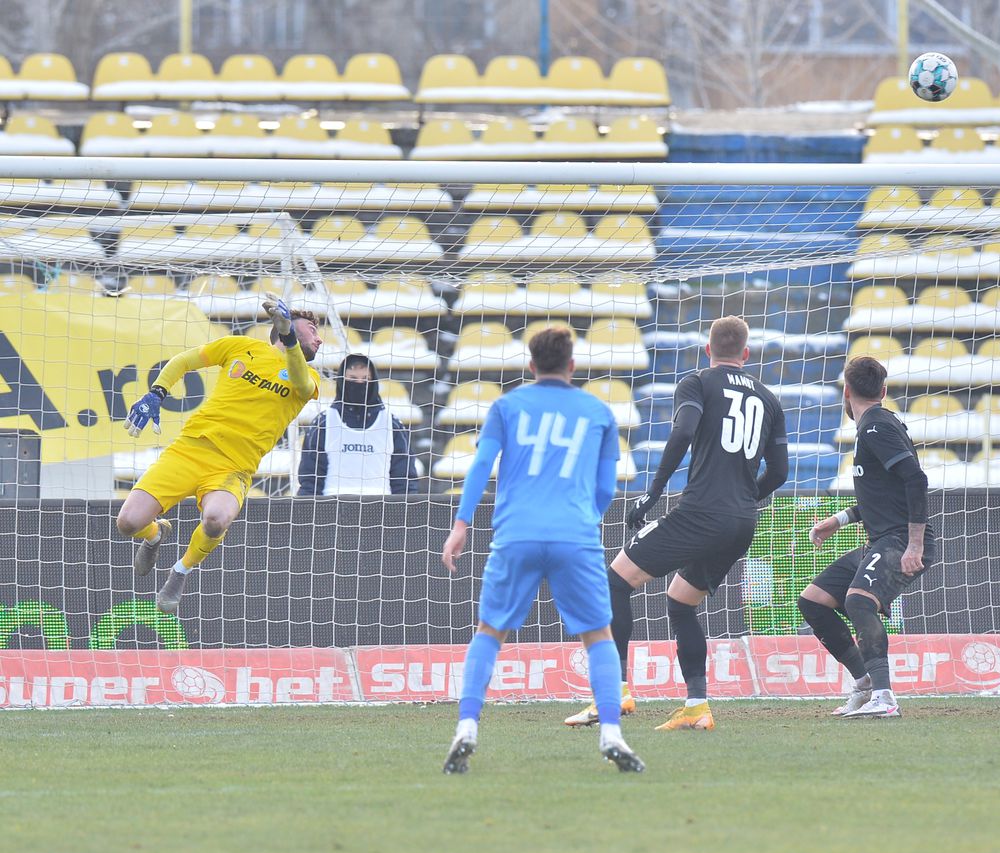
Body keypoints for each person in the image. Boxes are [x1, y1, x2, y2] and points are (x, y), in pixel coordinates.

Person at [565, 316, 788, 732]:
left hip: (701, 513)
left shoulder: (697, 382)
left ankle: (614, 693)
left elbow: (684, 429)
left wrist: (653, 492)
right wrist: (741, 499)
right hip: (742, 522)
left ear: (708, 349)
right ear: (746, 353)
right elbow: (779, 474)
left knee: (614, 582)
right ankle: (697, 706)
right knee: (681, 602)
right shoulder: (769, 399)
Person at [440, 326, 643, 774]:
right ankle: (611, 732)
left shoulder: (507, 406)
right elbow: (607, 487)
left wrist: (460, 525)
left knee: (489, 632)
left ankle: (467, 727)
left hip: (517, 534)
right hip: (576, 535)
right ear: (572, 365)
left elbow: (480, 466)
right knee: (599, 637)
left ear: (530, 366)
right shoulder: (598, 412)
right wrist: (584, 518)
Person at [115, 295, 322, 614]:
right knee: (128, 523)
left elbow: (300, 383)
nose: (319, 337)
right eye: (312, 329)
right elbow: (183, 361)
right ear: (287, 326)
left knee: (216, 519)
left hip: (232, 468)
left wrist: (290, 337)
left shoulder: (309, 379)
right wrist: (156, 393)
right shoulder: (239, 347)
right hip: (188, 450)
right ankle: (156, 534)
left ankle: (180, 571)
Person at [798, 355, 937, 719]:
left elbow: (916, 481)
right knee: (813, 601)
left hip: (899, 539)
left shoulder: (877, 428)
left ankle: (885, 696)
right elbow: (883, 495)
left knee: (859, 602)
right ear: (883, 391)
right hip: (881, 539)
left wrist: (915, 545)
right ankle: (863, 683)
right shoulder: (874, 427)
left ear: (845, 392)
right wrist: (839, 520)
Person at [297, 354, 419, 496]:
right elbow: (310, 480)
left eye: (365, 379)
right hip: (332, 509)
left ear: (373, 382)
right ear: (342, 381)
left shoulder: (392, 424)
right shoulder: (323, 423)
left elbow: (404, 480)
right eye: (353, 379)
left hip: (381, 509)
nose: (359, 384)